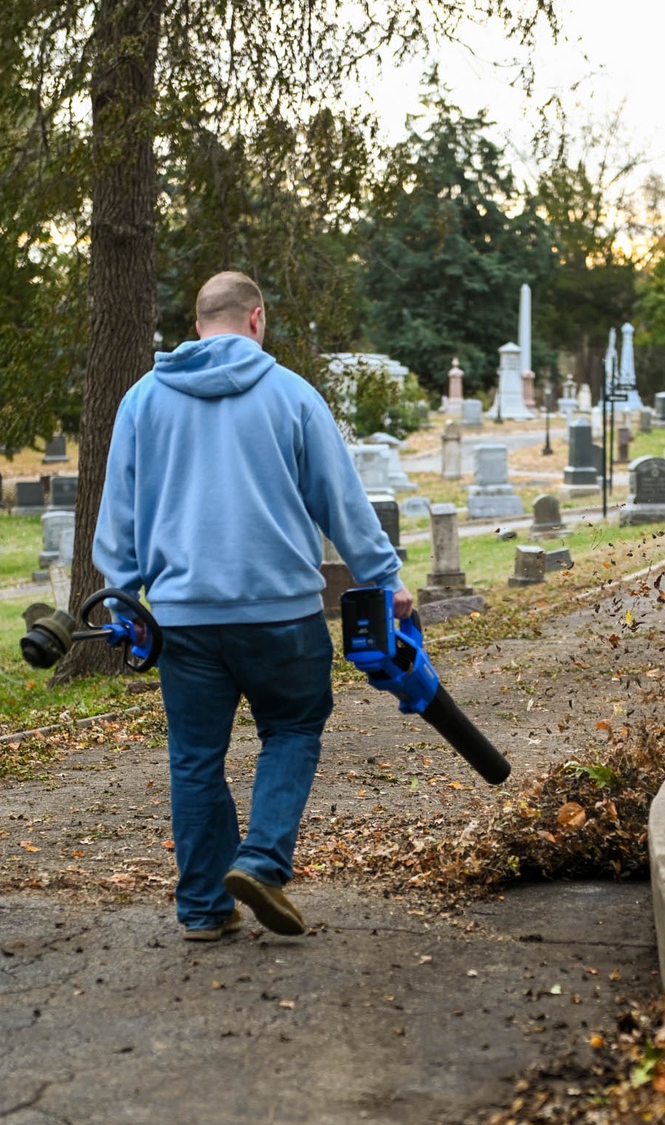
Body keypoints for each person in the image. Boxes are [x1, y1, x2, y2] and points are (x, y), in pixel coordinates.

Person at [93, 270, 412, 940]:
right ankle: (263, 859)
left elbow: (117, 517)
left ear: (199, 321)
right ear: (256, 320)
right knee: (293, 728)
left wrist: (124, 603)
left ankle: (205, 909)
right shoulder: (292, 395)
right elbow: (342, 502)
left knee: (195, 758)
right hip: (283, 614)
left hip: (183, 618)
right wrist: (384, 577)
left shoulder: (142, 401)